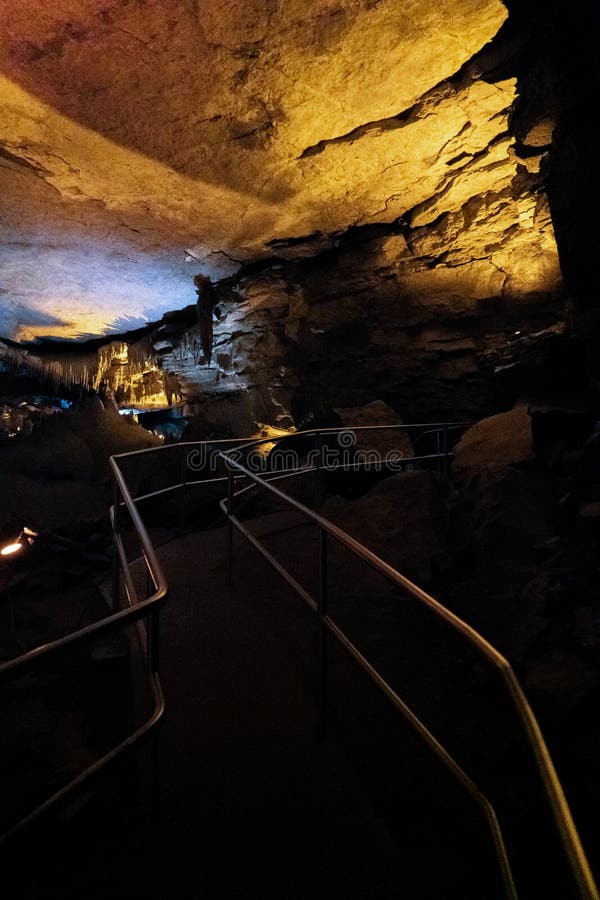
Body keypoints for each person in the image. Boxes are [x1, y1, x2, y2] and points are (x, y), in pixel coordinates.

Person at [194, 273, 218, 365]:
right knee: (205, 332)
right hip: (204, 311)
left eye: (196, 282)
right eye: (195, 283)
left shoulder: (206, 294)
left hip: (205, 311)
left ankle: (207, 352)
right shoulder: (205, 294)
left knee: (205, 332)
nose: (194, 284)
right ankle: (207, 352)